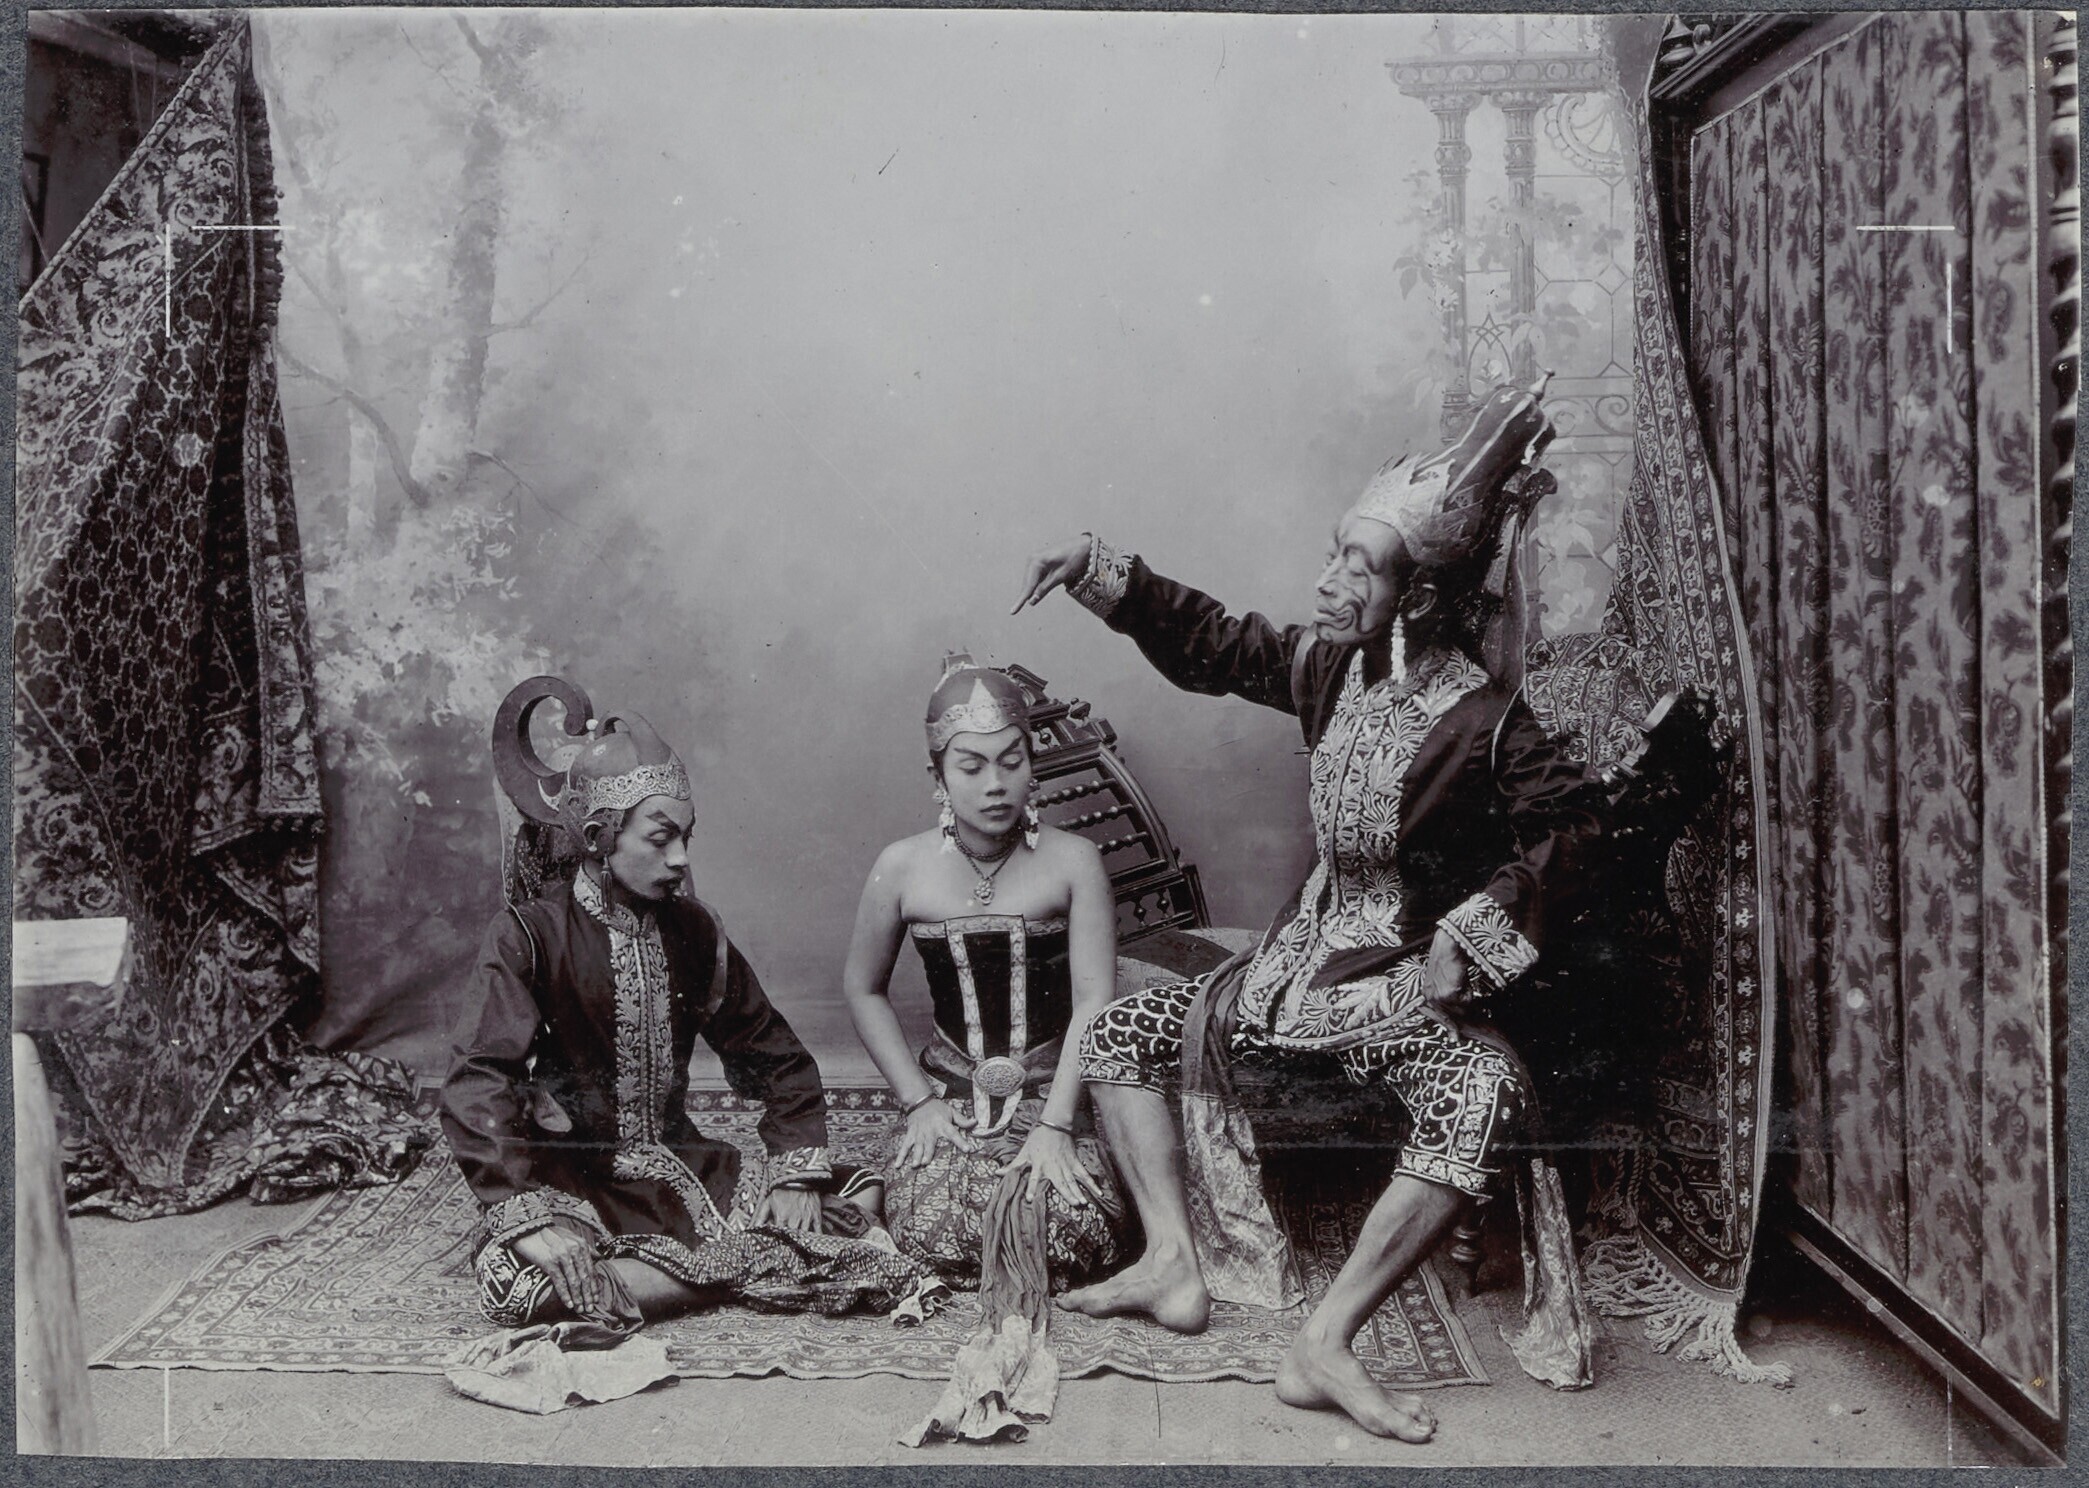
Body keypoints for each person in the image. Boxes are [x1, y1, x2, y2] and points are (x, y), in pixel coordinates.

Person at [1010, 377, 1604, 1443]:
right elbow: (1218, 644)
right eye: (1335, 554)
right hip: (1288, 977)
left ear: (1418, 596)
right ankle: (1172, 1260)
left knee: (1481, 1092)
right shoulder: (1332, 669)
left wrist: (1472, 931)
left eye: (1357, 567)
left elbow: (1576, 829)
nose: (1329, 581)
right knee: (1112, 1031)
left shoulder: (1485, 721)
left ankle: (1324, 1342)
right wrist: (1104, 572)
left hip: (1396, 995)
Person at [444, 697, 939, 1331]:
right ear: (596, 838)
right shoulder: (529, 936)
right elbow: (477, 1082)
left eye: (686, 837)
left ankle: (686, 1275)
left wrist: (792, 1177)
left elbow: (778, 1060)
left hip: (681, 1165)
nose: (681, 858)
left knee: (855, 1187)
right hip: (573, 1177)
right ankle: (757, 1264)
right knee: (521, 1287)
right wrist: (528, 1218)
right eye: (660, 838)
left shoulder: (695, 931)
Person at [840, 657, 1126, 1443]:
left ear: (1033, 762)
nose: (994, 784)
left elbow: (1094, 1002)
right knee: (933, 1220)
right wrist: (917, 1104)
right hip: (949, 1097)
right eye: (970, 766)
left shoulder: (1074, 861)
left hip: (1054, 1091)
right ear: (937, 775)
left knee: (1068, 1220)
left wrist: (1056, 1125)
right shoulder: (900, 866)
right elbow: (861, 987)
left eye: (1011, 760)